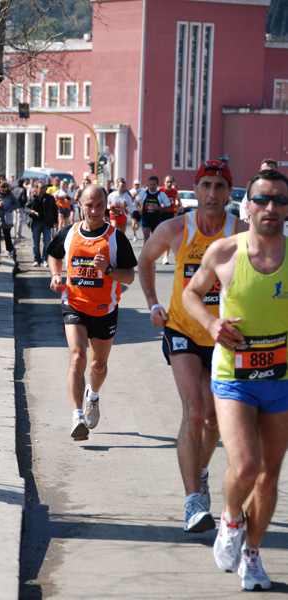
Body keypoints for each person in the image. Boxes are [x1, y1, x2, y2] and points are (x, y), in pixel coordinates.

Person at [182, 168, 288, 591]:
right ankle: (230, 517)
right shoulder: (225, 253)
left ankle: (252, 555)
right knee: (245, 466)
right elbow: (192, 294)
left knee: (269, 476)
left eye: (280, 200)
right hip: (234, 377)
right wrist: (210, 324)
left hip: (279, 377)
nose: (271, 207)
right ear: (247, 207)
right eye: (262, 199)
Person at [138, 160, 248, 533]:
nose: (212, 193)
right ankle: (192, 502)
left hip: (222, 335)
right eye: (205, 185)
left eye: (219, 186)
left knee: (214, 419)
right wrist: (154, 302)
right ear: (196, 190)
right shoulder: (175, 228)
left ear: (229, 193)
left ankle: (200, 471)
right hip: (182, 329)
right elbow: (145, 260)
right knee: (194, 411)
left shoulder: (241, 234)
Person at [47, 184, 137, 441]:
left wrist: (109, 270)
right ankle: (77, 417)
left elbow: (130, 276)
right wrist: (55, 274)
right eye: (89, 205)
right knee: (77, 358)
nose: (94, 210)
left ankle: (92, 396)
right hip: (74, 304)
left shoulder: (115, 237)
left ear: (106, 206)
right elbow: (54, 254)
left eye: (99, 205)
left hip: (104, 310)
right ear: (80, 205)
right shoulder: (70, 232)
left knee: (98, 365)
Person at [25, 181, 58, 267]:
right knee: (35, 243)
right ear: (37, 188)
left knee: (47, 242)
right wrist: (30, 211)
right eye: (41, 187)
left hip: (47, 223)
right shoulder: (32, 198)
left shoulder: (49, 198)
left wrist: (55, 221)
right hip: (35, 222)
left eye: (44, 187)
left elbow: (55, 209)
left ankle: (45, 259)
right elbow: (26, 207)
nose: (43, 189)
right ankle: (36, 260)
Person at [136, 176, 170, 244]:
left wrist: (159, 208)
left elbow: (168, 207)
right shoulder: (144, 193)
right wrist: (139, 209)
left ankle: (153, 254)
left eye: (154, 185)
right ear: (148, 184)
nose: (152, 186)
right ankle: (145, 254)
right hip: (145, 218)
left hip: (156, 219)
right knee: (146, 237)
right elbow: (136, 201)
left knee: (155, 238)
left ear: (157, 185)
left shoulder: (161, 194)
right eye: (150, 184)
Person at [0, 180, 19, 257]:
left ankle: (10, 249)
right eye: (2, 190)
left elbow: (17, 203)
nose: (4, 192)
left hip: (7, 216)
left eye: (5, 190)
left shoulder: (10, 194)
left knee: (7, 234)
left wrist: (10, 209)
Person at [158, 175, 180, 263]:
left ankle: (165, 257)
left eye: (171, 182)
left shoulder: (174, 191)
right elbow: (157, 200)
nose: (169, 183)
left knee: (169, 236)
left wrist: (177, 204)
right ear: (164, 182)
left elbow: (178, 199)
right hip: (161, 214)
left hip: (170, 214)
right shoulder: (161, 191)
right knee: (161, 236)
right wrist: (162, 205)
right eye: (167, 182)